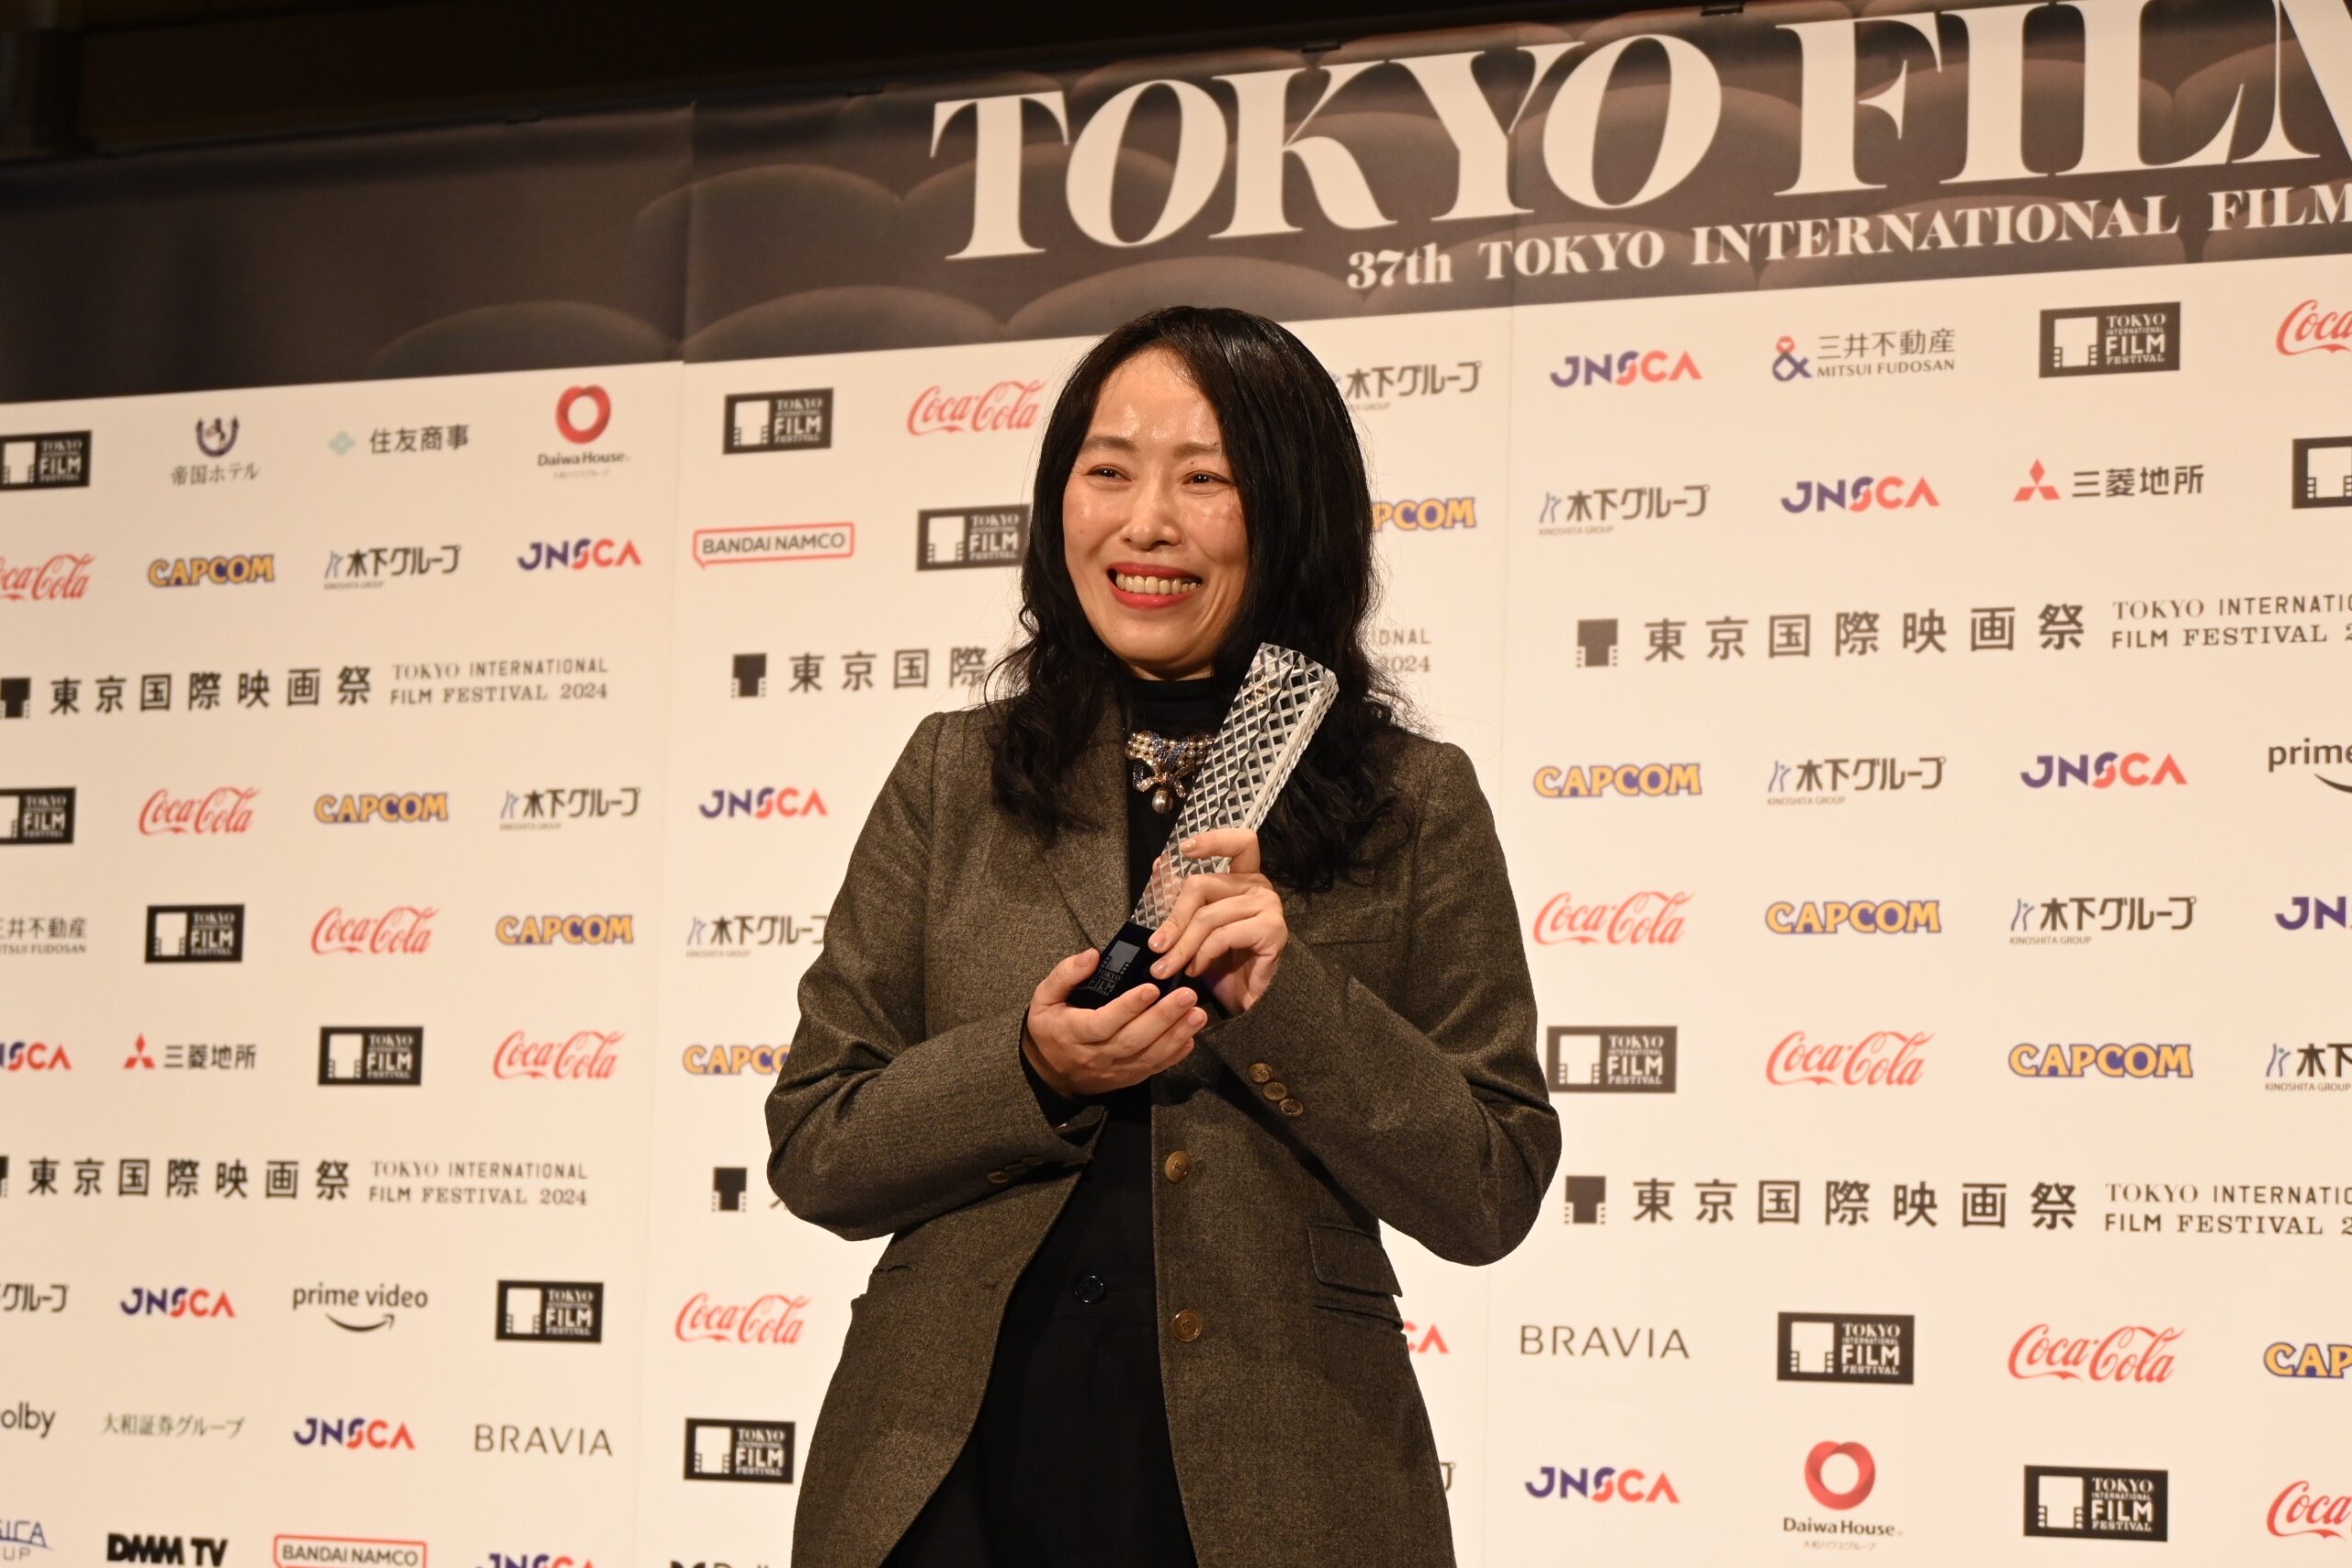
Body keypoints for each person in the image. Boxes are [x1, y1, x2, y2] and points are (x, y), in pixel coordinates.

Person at [765, 305, 1558, 1568]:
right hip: (951, 1471)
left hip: (1280, 1478)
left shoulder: (1412, 799)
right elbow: (817, 1144)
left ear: (1293, 512)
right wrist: (1030, 1071)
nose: (1145, 524)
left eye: (1206, 480)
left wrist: (1290, 1000)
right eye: (1108, 471)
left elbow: (1489, 1186)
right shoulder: (956, 774)